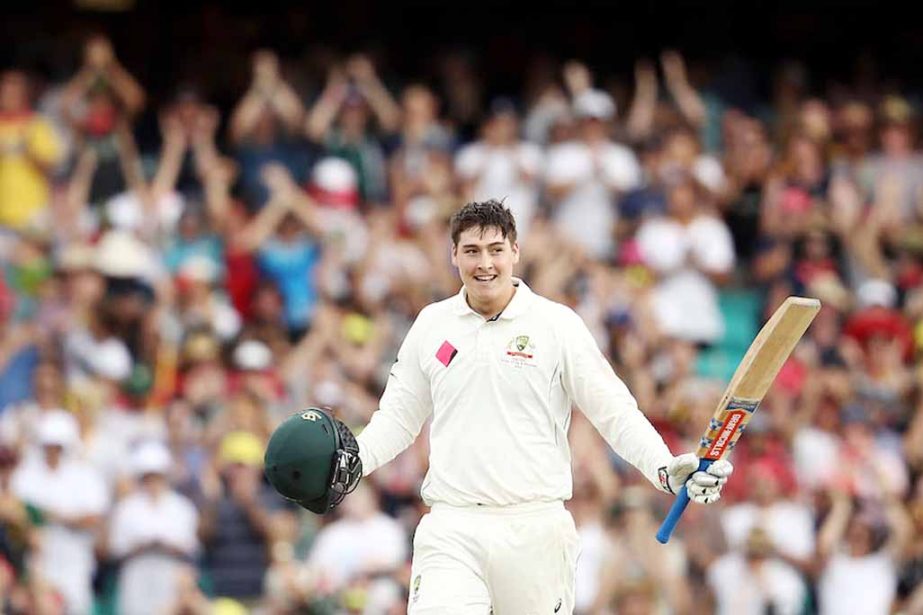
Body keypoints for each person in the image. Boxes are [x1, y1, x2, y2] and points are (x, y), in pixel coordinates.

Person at [266, 200, 733, 614]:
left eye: (494, 249)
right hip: (452, 525)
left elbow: (615, 410)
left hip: (535, 528)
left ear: (514, 252)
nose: (484, 263)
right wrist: (359, 461)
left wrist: (665, 468)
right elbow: (398, 419)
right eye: (471, 251)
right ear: (454, 256)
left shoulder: (556, 324)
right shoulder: (432, 324)